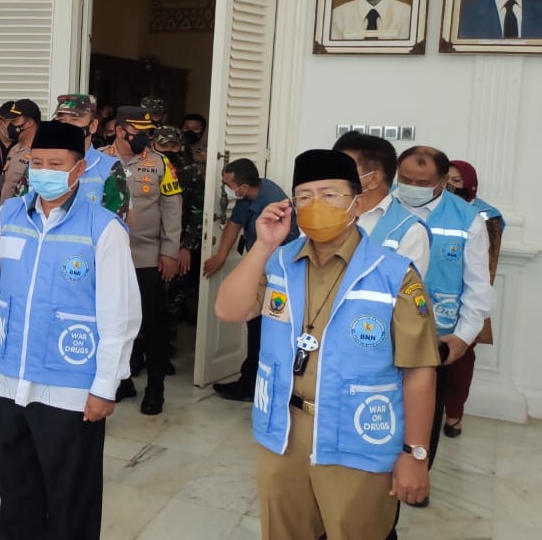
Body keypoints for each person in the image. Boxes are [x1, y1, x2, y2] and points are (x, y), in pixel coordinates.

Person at [215, 149, 438, 540]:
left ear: (357, 202)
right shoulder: (278, 262)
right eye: (304, 196)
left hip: (357, 436)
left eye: (329, 194)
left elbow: (418, 369)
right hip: (283, 434)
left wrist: (415, 454)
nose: (315, 204)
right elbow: (229, 310)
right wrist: (264, 246)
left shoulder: (392, 274)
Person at [0, 120, 140, 539]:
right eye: (36, 162)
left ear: (79, 170)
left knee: (70, 500)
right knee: (17, 492)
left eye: (55, 163)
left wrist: (105, 385)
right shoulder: (10, 214)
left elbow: (121, 315)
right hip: (8, 379)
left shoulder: (103, 227)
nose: (43, 170)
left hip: (70, 388)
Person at [395, 146, 495, 504]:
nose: (411, 187)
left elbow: (478, 286)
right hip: (382, 333)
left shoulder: (467, 218)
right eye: (404, 179)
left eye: (422, 182)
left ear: (441, 182)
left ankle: (419, 477)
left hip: (437, 335)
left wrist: (464, 337)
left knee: (425, 413)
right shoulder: (381, 208)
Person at [205, 157, 298, 402]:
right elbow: (234, 224)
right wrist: (221, 256)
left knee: (260, 328)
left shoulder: (274, 203)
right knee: (254, 327)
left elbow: (276, 249)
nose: (225, 188)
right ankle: (249, 381)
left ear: (243, 187)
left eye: (228, 184)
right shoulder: (250, 195)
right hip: (260, 268)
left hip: (276, 274)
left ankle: (252, 385)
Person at [110, 106, 181, 415]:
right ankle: (120, 381)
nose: (143, 137)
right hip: (108, 258)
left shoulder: (160, 163)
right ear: (119, 130)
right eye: (137, 131)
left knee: (152, 324)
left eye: (146, 131)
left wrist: (169, 251)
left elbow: (172, 208)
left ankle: (155, 388)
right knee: (111, 323)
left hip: (145, 256)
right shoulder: (99, 159)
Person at [442, 159, 503, 439]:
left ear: (469, 184)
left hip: (466, 301)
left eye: (457, 181)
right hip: (431, 302)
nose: (451, 187)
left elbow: (487, 266)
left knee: (460, 364)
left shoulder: (485, 216)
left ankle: (454, 414)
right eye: (447, 180)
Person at [332, 131, 430, 274]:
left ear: (374, 179)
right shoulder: (322, 213)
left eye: (343, 169)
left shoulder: (410, 231)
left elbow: (405, 290)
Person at [153, 126, 203, 322]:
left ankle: (167, 342)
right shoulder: (142, 167)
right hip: (146, 244)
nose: (168, 149)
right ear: (153, 145)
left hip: (177, 245)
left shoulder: (189, 174)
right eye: (163, 145)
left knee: (173, 297)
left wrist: (186, 247)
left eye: (173, 145)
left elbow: (198, 211)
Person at [52, 94, 127, 215]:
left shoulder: (110, 169)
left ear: (93, 126)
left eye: (74, 120)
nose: (66, 126)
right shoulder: (37, 165)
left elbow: (113, 224)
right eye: (61, 120)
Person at [0, 98, 41, 203]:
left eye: (15, 121)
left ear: (29, 123)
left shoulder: (41, 152)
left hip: (23, 213)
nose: (10, 126)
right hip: (6, 211)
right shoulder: (14, 149)